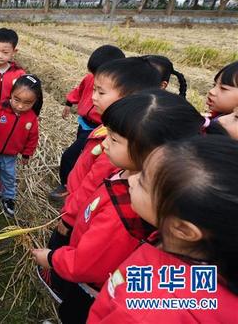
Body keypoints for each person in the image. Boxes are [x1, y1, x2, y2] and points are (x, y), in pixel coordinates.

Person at [33, 89, 205, 323]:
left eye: (114, 139)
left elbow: (86, 264)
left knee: (75, 314)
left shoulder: (128, 211)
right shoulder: (126, 172)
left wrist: (52, 258)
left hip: (92, 288)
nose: (104, 144)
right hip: (89, 268)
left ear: (154, 154)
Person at [88, 136, 238, 323]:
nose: (132, 180)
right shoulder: (194, 250)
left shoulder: (145, 311)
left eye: (143, 182)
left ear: (183, 229)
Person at [50, 58, 161, 251]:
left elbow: (92, 183)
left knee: (62, 251)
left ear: (131, 98)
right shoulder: (107, 128)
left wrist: (68, 219)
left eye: (101, 92)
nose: (93, 97)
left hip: (81, 216)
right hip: (77, 202)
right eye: (94, 89)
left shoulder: (116, 148)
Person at [50, 45, 125, 202]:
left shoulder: (117, 90)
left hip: (97, 130)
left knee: (70, 156)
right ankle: (71, 183)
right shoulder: (90, 78)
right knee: (80, 156)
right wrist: (69, 103)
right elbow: (79, 90)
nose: (95, 95)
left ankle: (66, 186)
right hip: (83, 123)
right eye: (94, 73)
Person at [0, 74, 42, 216]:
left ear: (35, 101)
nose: (21, 106)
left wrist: (27, 154)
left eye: (28, 103)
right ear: (11, 94)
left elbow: (32, 138)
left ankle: (9, 197)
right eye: (17, 100)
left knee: (9, 176)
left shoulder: (31, 119)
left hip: (11, 155)